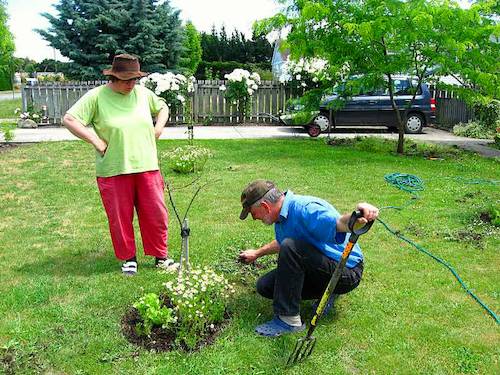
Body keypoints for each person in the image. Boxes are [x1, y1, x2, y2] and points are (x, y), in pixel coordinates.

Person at [63, 53, 174, 276]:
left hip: (147, 166)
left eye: (134, 80)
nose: (131, 85)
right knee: (120, 217)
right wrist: (95, 140)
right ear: (113, 77)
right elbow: (69, 119)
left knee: (156, 214)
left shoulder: (142, 94)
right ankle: (128, 258)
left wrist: (158, 128)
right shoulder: (96, 97)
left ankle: (160, 256)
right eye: (126, 80)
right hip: (113, 169)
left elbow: (163, 107)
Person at [238, 179, 379, 337]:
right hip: (322, 267)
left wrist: (357, 215)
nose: (254, 218)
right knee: (265, 286)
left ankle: (289, 320)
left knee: (291, 247)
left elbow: (340, 223)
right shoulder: (282, 219)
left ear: (265, 206)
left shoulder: (306, 209)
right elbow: (281, 243)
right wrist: (257, 253)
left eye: (252, 213)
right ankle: (326, 292)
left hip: (346, 272)